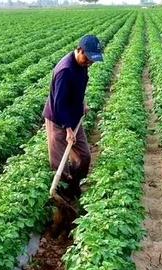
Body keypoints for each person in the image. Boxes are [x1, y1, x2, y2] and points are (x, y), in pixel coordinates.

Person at [43, 35, 103, 204]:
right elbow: (59, 104)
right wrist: (68, 129)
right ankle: (62, 200)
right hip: (58, 119)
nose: (89, 63)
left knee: (84, 157)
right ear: (79, 50)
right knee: (59, 163)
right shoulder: (65, 70)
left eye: (92, 60)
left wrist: (82, 103)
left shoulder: (81, 64)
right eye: (88, 58)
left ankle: (74, 185)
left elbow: (78, 89)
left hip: (74, 116)